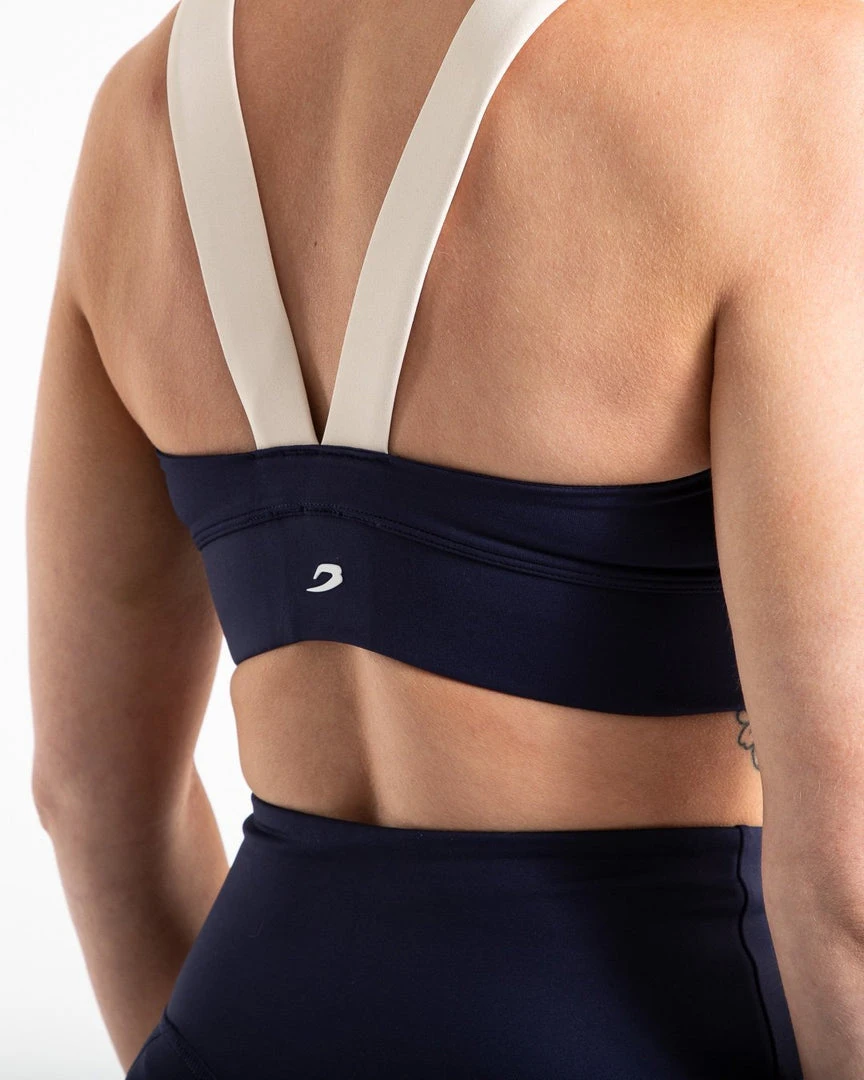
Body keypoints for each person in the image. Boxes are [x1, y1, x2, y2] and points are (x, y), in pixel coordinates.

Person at [26, 0, 864, 1076]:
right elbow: (846, 878)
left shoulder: (142, 113)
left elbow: (88, 795)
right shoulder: (781, 74)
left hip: (239, 1025)